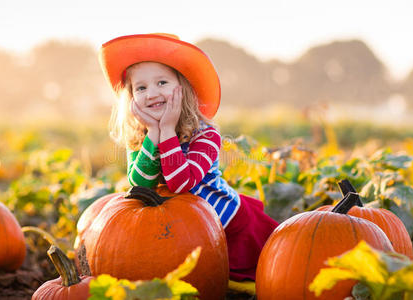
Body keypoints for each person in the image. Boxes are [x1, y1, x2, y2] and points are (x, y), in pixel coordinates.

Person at [100, 33, 279, 282]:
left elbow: (180, 183)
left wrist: (167, 131)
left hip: (228, 227)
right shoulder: (142, 137)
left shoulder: (205, 135)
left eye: (161, 82)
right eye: (141, 88)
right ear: (131, 99)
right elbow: (140, 186)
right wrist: (154, 132)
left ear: (181, 87)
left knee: (270, 275)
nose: (151, 93)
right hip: (180, 231)